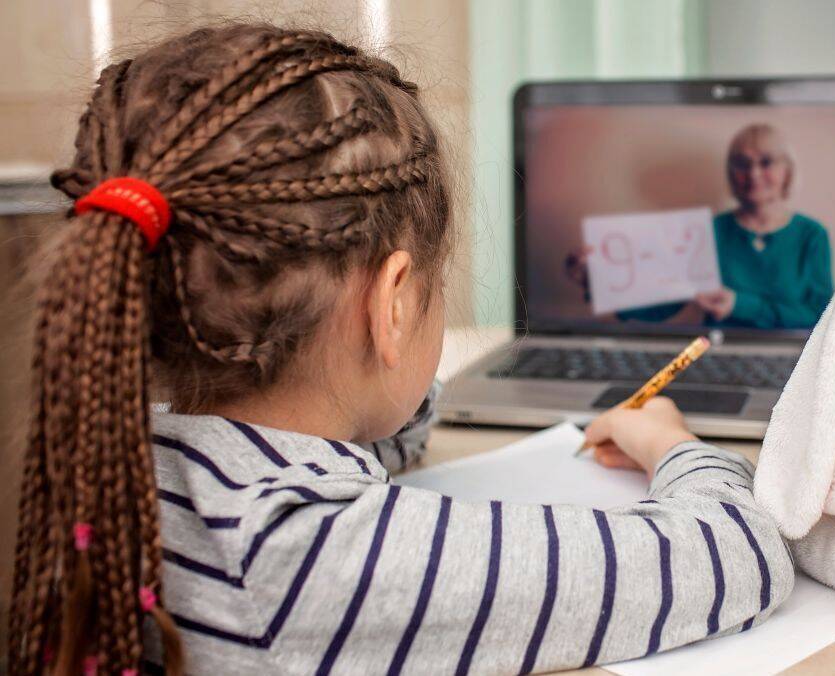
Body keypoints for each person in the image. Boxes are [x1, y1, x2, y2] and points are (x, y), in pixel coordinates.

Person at [6, 24, 793, 675]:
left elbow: (381, 437)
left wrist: (381, 386)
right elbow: (738, 554)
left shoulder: (113, 457)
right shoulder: (319, 560)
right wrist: (672, 443)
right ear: (391, 304)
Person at [579, 123, 834, 330]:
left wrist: (739, 305)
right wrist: (599, 281)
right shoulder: (708, 232)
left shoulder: (811, 235)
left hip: (794, 358)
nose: (754, 174)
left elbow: (820, 316)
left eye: (766, 162)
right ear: (731, 172)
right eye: (742, 164)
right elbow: (663, 304)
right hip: (717, 352)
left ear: (787, 171)